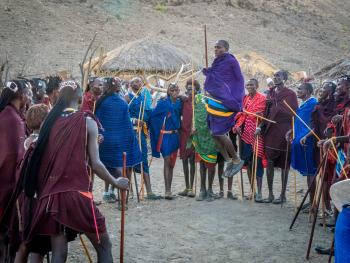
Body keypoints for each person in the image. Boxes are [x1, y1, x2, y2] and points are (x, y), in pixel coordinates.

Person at [19, 80, 129, 262]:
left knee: (59, 253)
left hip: (50, 199)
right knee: (104, 246)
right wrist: (116, 182)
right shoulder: (87, 121)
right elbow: (96, 165)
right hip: (77, 196)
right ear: (80, 97)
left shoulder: (47, 125)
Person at [95, 77, 141, 203]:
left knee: (108, 165)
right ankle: (121, 196)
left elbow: (97, 122)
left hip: (105, 141)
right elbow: (127, 125)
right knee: (120, 165)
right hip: (121, 140)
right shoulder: (122, 103)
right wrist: (131, 141)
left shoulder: (100, 102)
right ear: (116, 88)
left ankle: (108, 192)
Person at [203, 40, 245, 178]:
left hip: (226, 101)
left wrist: (211, 75)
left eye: (218, 47)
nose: (215, 49)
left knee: (219, 132)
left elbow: (234, 81)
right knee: (213, 133)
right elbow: (217, 76)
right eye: (214, 47)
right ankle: (229, 161)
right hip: (216, 101)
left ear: (226, 48)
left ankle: (237, 159)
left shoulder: (230, 61)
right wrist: (209, 72)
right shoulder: (218, 61)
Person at [0, 80, 31, 262]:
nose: (30, 96)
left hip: (6, 181)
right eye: (27, 92)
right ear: (20, 96)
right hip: (7, 184)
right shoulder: (12, 119)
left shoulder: (10, 115)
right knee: (5, 232)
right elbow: (13, 157)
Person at [256, 70, 298, 204]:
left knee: (285, 163)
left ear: (285, 78)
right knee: (269, 161)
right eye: (274, 76)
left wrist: (292, 130)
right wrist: (261, 125)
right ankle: (270, 194)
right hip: (270, 130)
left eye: (278, 76)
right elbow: (266, 112)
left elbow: (295, 114)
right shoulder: (270, 93)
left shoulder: (290, 94)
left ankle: (283, 194)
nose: (275, 78)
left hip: (285, 130)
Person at [125, 77, 160, 200]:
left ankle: (149, 192)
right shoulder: (127, 98)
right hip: (130, 134)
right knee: (128, 162)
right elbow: (124, 116)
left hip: (142, 134)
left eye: (140, 81)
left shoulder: (145, 98)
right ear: (130, 84)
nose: (138, 83)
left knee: (143, 159)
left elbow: (149, 114)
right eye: (135, 81)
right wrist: (134, 120)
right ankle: (128, 192)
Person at [233, 79, 266, 202]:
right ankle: (252, 191)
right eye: (248, 85)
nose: (249, 86)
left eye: (252, 84)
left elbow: (263, 115)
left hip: (257, 134)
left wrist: (258, 125)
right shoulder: (245, 99)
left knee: (257, 162)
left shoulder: (262, 98)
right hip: (245, 134)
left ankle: (260, 193)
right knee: (248, 163)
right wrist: (237, 125)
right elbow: (241, 114)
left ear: (257, 86)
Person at [149, 83, 182, 199]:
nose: (174, 92)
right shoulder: (163, 103)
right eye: (172, 90)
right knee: (167, 161)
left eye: (176, 90)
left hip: (175, 136)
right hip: (165, 136)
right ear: (168, 92)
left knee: (172, 163)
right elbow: (153, 116)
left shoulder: (179, 103)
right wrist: (158, 130)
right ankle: (167, 191)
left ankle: (169, 189)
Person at [288, 83, 318, 205]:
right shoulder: (304, 103)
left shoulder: (313, 103)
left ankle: (313, 203)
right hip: (300, 139)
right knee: (308, 172)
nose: (298, 90)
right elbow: (299, 121)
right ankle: (311, 202)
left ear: (308, 91)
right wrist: (292, 131)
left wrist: (306, 135)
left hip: (308, 140)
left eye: (301, 89)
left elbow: (314, 123)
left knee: (311, 171)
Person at [178, 79, 200, 198]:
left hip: (195, 135)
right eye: (189, 88)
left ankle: (191, 187)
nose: (190, 90)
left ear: (197, 89)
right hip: (184, 134)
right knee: (184, 160)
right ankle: (187, 187)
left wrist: (196, 128)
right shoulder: (184, 101)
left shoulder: (199, 101)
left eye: (193, 88)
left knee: (192, 160)